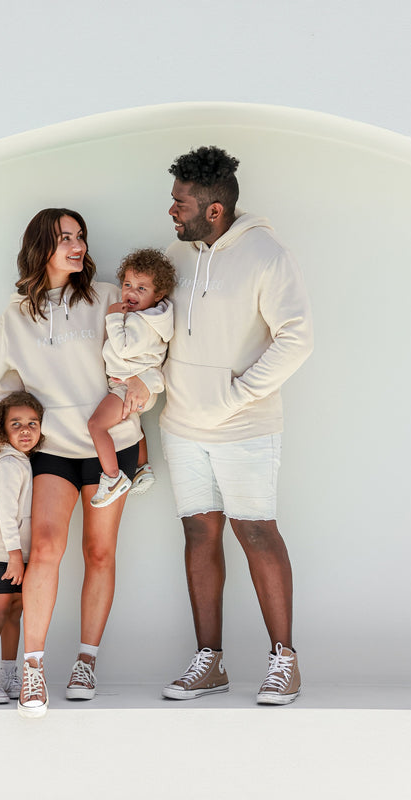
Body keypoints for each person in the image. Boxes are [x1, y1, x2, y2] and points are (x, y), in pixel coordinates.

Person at [0, 208, 161, 718]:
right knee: (46, 547)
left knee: (99, 552)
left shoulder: (106, 296)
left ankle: (86, 660)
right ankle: (33, 668)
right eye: (65, 238)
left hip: (112, 444)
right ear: (42, 246)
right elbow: (0, 393)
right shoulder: (14, 316)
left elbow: (146, 359)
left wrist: (142, 393)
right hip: (52, 449)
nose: (77, 246)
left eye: (80, 237)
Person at [160, 146, 313, 705]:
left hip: (245, 426)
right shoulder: (179, 257)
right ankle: (211, 662)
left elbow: (297, 337)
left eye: (180, 203)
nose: (171, 210)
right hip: (181, 425)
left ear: (215, 209)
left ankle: (284, 660)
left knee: (255, 532)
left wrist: (238, 395)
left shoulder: (268, 255)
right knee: (199, 533)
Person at [0, 391, 44, 704]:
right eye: (16, 424)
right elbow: (6, 514)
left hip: (20, 554)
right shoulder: (7, 463)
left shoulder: (22, 460)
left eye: (33, 424)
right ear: (2, 429)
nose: (25, 430)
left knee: (16, 613)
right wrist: (14, 556)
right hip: (3, 554)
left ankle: (10, 675)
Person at [88, 248, 176, 507]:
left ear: (158, 294)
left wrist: (114, 317)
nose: (131, 293)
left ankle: (113, 477)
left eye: (141, 288)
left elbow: (123, 347)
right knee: (132, 423)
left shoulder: (141, 322)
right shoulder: (155, 318)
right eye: (127, 284)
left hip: (126, 387)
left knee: (97, 425)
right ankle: (142, 467)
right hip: (137, 387)